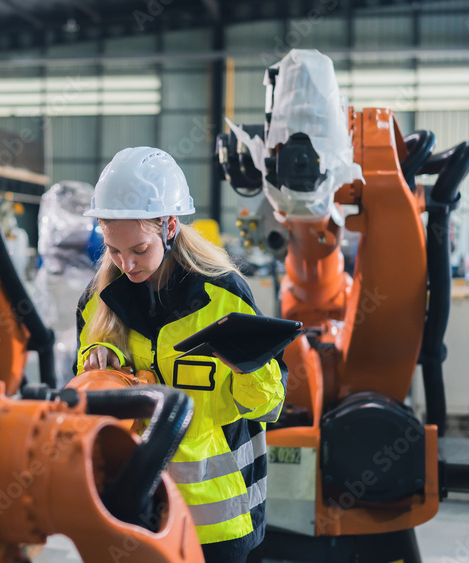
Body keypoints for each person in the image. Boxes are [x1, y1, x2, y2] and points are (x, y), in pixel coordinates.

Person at [75, 147, 287, 563]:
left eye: (139, 249)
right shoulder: (97, 303)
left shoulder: (223, 296)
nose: (127, 264)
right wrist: (99, 352)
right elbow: (84, 398)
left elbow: (269, 405)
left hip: (217, 518)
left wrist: (246, 367)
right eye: (114, 250)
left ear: (169, 226)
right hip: (132, 510)